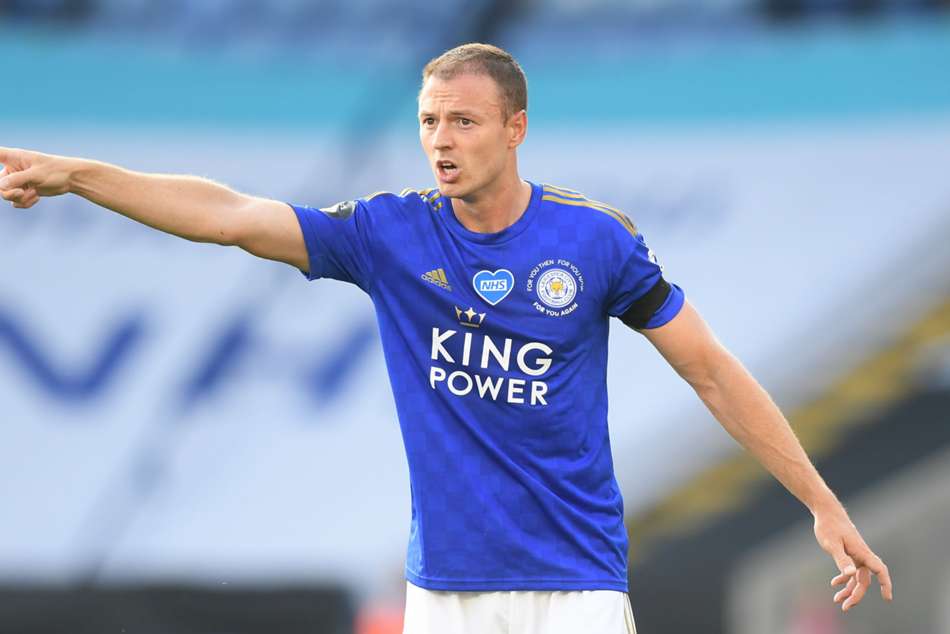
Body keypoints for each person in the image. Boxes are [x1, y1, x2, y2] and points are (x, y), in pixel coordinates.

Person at [0, 43, 892, 634]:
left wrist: (822, 503)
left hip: (575, 584)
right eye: (429, 121)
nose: (440, 140)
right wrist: (79, 175)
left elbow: (711, 371)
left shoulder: (595, 241)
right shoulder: (389, 233)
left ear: (515, 128)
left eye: (463, 121)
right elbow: (231, 216)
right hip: (444, 590)